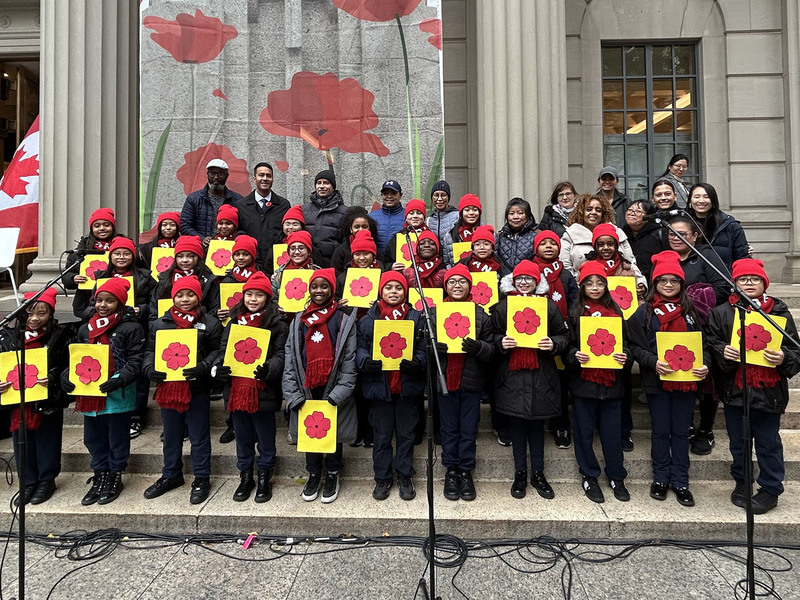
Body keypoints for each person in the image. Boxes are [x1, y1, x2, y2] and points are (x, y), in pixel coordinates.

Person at [705, 258, 800, 514]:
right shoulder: (722, 312)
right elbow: (711, 342)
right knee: (739, 442)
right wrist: (722, 351)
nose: (749, 283)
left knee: (768, 443)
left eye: (754, 279)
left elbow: (795, 350)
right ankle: (742, 482)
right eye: (743, 279)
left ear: (763, 283)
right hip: (736, 390)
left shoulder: (778, 311)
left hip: (769, 393)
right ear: (734, 284)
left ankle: (770, 489)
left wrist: (784, 359)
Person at [628, 251, 709, 507]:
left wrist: (704, 364)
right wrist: (653, 362)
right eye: (663, 280)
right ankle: (661, 478)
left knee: (681, 433)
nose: (669, 285)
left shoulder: (692, 313)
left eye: (674, 280)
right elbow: (634, 346)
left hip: (686, 381)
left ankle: (681, 481)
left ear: (681, 284)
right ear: (655, 284)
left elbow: (703, 345)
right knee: (661, 432)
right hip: (657, 381)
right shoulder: (644, 314)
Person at [61, 278, 145, 506]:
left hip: (118, 393)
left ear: (120, 303)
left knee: (117, 437)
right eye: (99, 300)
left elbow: (135, 361)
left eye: (109, 301)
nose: (103, 305)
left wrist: (118, 380)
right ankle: (100, 473)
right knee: (93, 438)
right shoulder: (84, 328)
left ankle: (115, 474)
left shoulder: (131, 328)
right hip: (90, 394)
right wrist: (67, 376)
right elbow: (76, 359)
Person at [143, 276, 223, 505]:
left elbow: (217, 350)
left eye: (190, 295)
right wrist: (149, 368)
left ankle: (201, 477)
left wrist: (203, 367)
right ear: (172, 297)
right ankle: (171, 474)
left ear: (199, 296)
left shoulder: (210, 323)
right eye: (180, 295)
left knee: (198, 436)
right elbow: (149, 350)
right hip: (168, 388)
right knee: (171, 435)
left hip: (197, 387)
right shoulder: (160, 323)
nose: (185, 299)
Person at [492, 261, 568, 500]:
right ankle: (520, 474)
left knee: (537, 428)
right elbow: (491, 335)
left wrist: (554, 344)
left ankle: (539, 474)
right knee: (516, 428)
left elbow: (565, 335)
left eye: (529, 279)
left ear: (538, 282)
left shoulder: (548, 307)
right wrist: (500, 342)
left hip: (541, 375)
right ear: (513, 281)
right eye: (520, 278)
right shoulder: (503, 307)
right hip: (512, 376)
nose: (524, 282)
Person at [283, 268, 358, 504]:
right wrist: (293, 393)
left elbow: (349, 358)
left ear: (332, 289)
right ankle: (314, 474)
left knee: (332, 433)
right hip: (307, 385)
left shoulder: (344, 319)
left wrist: (340, 392)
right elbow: (290, 358)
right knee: (310, 432)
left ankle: (333, 473)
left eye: (324, 286)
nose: (319, 291)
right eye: (314, 286)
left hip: (333, 386)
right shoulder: (298, 320)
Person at [216, 272, 288, 503]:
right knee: (243, 435)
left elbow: (280, 354)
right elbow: (224, 350)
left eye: (259, 295)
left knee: (265, 435)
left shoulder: (277, 324)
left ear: (268, 298)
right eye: (249, 294)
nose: (253, 299)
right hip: (237, 389)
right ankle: (245, 476)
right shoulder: (234, 321)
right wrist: (221, 368)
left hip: (263, 389)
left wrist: (269, 368)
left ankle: (265, 476)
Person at [357, 271, 427, 501]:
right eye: (389, 288)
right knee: (382, 435)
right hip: (380, 387)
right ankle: (382, 478)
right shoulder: (368, 320)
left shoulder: (416, 317)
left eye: (398, 288)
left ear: (405, 292)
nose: (393, 292)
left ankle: (404, 475)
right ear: (381, 291)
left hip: (407, 387)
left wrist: (418, 362)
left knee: (406, 434)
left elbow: (425, 348)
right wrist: (365, 362)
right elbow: (359, 348)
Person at [0, 288, 72, 506]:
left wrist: (53, 377)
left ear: (50, 314)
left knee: (47, 439)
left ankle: (46, 480)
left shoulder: (61, 335)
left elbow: (68, 366)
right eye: (30, 313)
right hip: (18, 400)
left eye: (41, 313)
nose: (34, 319)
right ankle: (28, 481)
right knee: (22, 441)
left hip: (47, 398)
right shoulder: (9, 336)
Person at [565, 261, 630, 504]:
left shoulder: (616, 312)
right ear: (582, 286)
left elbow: (626, 345)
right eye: (589, 283)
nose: (595, 287)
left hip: (612, 384)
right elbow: (568, 346)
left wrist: (625, 356)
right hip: (584, 383)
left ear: (606, 285)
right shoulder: (575, 312)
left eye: (599, 283)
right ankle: (589, 474)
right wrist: (574, 356)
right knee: (583, 434)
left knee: (612, 434)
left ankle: (616, 476)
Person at [434, 264, 496, 501]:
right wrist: (434, 350)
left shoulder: (481, 314)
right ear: (445, 286)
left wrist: (479, 347)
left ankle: (466, 470)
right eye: (452, 281)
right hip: (445, 380)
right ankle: (451, 469)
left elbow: (492, 350)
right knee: (449, 428)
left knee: (469, 429)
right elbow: (421, 345)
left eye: (462, 281)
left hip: (471, 381)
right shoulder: (435, 312)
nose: (457, 285)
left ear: (470, 285)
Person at [526, 230, 578, 450]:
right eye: (543, 243)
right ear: (535, 248)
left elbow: (575, 303)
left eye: (552, 243)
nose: (548, 247)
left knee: (560, 382)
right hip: (532, 337)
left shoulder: (565, 275)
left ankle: (560, 425)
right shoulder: (528, 273)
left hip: (559, 337)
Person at [560, 194, 638, 279]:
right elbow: (565, 267)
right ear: (581, 212)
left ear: (603, 214)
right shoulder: (570, 235)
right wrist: (579, 283)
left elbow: (631, 263)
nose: (593, 212)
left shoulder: (617, 232)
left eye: (598, 210)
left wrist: (641, 282)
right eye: (589, 209)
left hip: (618, 287)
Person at [236, 162, 290, 275]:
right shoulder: (241, 205)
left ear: (273, 179)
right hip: (249, 266)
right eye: (261, 175)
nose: (265, 178)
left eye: (268, 176)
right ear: (254, 179)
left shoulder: (283, 205)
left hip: (275, 265)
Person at [150, 235, 220, 320]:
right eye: (180, 256)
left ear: (198, 257)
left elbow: (214, 309)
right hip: (167, 327)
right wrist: (157, 325)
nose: (185, 260)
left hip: (200, 328)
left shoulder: (208, 279)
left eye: (190, 256)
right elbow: (154, 308)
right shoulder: (165, 278)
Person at [685, 182, 750, 270]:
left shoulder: (730, 225)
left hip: (722, 279)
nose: (701, 201)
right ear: (690, 201)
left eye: (706, 197)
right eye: (696, 197)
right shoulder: (681, 222)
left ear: (713, 201)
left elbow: (742, 258)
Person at [180, 158, 243, 245]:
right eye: (212, 173)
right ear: (207, 174)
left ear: (227, 175)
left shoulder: (237, 199)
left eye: (220, 174)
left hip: (228, 248)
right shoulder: (193, 198)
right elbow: (184, 226)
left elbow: (243, 227)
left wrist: (232, 240)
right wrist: (201, 239)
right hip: (200, 249)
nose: (216, 177)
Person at [64, 208, 119, 290]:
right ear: (92, 229)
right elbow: (66, 275)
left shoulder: (123, 246)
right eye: (97, 226)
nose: (102, 228)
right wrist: (72, 278)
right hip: (86, 299)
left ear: (113, 227)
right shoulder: (81, 249)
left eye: (106, 225)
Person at [302, 170, 347, 269]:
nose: (322, 186)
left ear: (333, 186)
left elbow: (346, 242)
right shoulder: (304, 210)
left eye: (326, 183)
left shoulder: (344, 211)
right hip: (309, 264)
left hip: (333, 264)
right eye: (319, 183)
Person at [585, 223, 646, 294]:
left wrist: (641, 286)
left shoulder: (627, 266)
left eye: (610, 244)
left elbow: (640, 279)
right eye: (601, 245)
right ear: (595, 247)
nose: (606, 248)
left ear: (616, 246)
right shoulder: (588, 266)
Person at [621, 199, 664, 282]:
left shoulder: (658, 234)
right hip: (629, 280)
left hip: (654, 281)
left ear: (648, 217)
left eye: (638, 211)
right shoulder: (621, 234)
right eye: (630, 210)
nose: (632, 213)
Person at [495, 198, 538, 277]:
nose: (515, 217)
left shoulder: (536, 236)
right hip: (504, 282)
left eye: (520, 213)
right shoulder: (500, 236)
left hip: (527, 281)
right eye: (511, 214)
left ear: (528, 216)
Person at [331, 206, 380, 275]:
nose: (360, 230)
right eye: (356, 227)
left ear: (370, 228)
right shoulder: (341, 250)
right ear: (351, 229)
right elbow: (335, 272)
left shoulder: (374, 248)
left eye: (364, 227)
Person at [384, 199, 429, 270]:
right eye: (411, 213)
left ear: (424, 217)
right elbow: (386, 260)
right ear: (406, 217)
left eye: (419, 213)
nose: (415, 216)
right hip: (402, 275)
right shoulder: (398, 237)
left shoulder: (430, 236)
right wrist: (391, 267)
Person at [441, 194, 483, 268]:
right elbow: (446, 262)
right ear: (461, 213)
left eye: (475, 210)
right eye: (467, 210)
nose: (471, 213)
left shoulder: (490, 234)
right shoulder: (450, 236)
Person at [369, 180, 406, 257]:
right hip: (377, 263)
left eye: (393, 193)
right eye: (385, 193)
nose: (389, 196)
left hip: (399, 263)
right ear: (381, 195)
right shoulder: (371, 217)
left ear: (400, 195)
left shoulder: (407, 216)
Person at [427, 180, 459, 249]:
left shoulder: (457, 216)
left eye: (443, 195)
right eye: (436, 195)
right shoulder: (429, 220)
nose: (439, 199)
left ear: (448, 197)